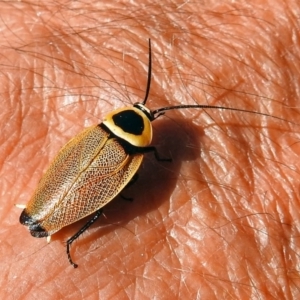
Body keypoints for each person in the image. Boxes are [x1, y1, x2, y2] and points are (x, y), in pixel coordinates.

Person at [2, 0, 299, 298]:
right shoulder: (140, 147)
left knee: (71, 176)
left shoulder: (96, 130)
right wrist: (156, 156)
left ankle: (40, 219)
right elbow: (141, 162)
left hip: (84, 157)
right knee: (100, 203)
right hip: (105, 168)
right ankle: (64, 237)